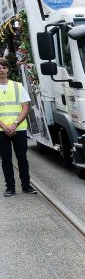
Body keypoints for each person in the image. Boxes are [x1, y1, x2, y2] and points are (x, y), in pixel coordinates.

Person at [0, 58, 36, 197]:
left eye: (3, 67)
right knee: (6, 159)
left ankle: (26, 186)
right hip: (1, 130)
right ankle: (10, 188)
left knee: (22, 158)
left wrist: (14, 124)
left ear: (7, 69)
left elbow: (25, 107)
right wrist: (5, 126)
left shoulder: (17, 86)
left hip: (18, 128)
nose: (1, 70)